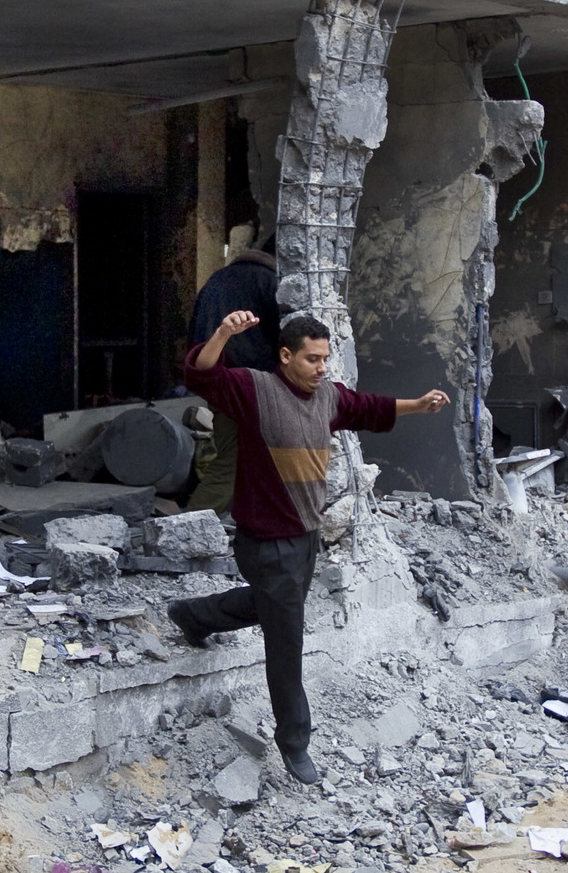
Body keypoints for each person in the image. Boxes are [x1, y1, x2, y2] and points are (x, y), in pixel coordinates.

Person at [169, 311, 448, 783]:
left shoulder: (328, 398)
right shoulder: (255, 390)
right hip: (265, 541)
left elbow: (368, 407)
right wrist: (223, 334)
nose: (322, 367)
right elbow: (202, 376)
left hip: (305, 536)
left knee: (272, 606)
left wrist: (418, 406)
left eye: (325, 358)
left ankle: (194, 615)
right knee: (287, 640)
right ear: (286, 356)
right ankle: (295, 742)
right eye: (312, 359)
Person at [182, 242, 282, 515]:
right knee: (233, 460)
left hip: (217, 378)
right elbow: (285, 338)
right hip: (249, 384)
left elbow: (196, 334)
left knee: (241, 455)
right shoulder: (270, 282)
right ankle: (190, 524)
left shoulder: (218, 279)